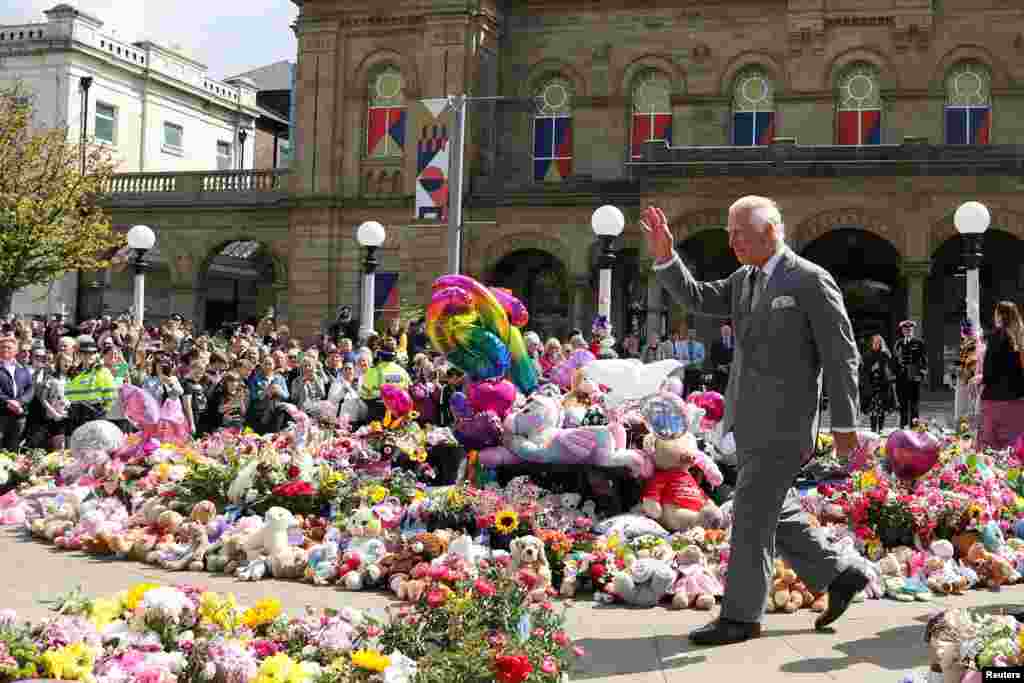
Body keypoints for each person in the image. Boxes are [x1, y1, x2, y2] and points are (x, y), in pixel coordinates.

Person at [641, 196, 867, 645]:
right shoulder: (744, 279)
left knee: (748, 517)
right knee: (772, 511)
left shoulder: (809, 280)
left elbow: (841, 357)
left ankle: (741, 617)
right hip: (747, 419)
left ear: (771, 230)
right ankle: (840, 574)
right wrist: (667, 257)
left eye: (739, 232)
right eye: (728, 233)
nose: (731, 242)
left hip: (786, 423)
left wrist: (844, 426)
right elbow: (699, 297)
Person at [976, 301, 1024, 450]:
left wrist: (980, 379)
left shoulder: (995, 337)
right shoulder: (1021, 337)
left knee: (989, 449)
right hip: (1018, 400)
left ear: (999, 316)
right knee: (1014, 449)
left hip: (994, 399)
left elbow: (990, 372)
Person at [0, 334, 34, 451]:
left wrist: (19, 402)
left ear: (16, 351)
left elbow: (30, 388)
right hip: (2, 414)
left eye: (9, 347)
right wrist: (8, 402)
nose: (5, 349)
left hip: (18, 415)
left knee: (14, 448)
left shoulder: (23, 368)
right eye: (2, 347)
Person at [893, 320, 928, 428]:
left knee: (914, 403)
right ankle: (903, 426)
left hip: (914, 376)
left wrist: (922, 374)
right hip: (901, 377)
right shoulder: (898, 343)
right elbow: (895, 360)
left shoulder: (919, 342)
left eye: (909, 329)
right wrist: (894, 374)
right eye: (905, 329)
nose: (907, 331)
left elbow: (924, 360)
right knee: (903, 403)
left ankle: (914, 427)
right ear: (902, 331)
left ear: (913, 330)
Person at [862, 334, 898, 432]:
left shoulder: (886, 354)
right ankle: (873, 429)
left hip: (883, 385)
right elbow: (863, 370)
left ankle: (881, 429)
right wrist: (871, 369)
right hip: (871, 385)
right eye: (875, 342)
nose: (876, 344)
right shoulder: (867, 355)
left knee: (882, 409)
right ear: (872, 343)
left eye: (878, 342)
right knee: (872, 410)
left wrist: (887, 372)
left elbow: (891, 368)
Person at [709, 322, 735, 393]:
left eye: (728, 330)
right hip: (718, 371)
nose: (726, 332)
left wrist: (731, 365)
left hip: (731, 372)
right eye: (724, 330)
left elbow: (736, 356)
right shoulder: (716, 342)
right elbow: (712, 356)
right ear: (721, 331)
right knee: (716, 391)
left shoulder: (735, 342)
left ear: (731, 331)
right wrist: (719, 366)